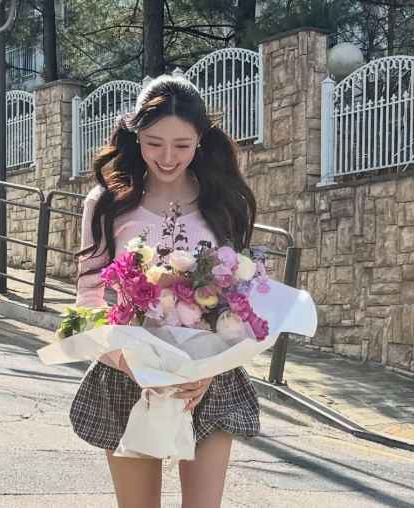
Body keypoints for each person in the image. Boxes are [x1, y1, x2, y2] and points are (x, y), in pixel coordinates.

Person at [70, 75, 259, 508]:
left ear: (201, 139)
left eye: (182, 145)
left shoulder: (227, 201)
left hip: (208, 381)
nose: (168, 157)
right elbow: (87, 301)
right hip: (129, 380)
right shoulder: (106, 202)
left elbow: (240, 301)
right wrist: (130, 365)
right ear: (135, 135)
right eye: (154, 143)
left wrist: (209, 371)